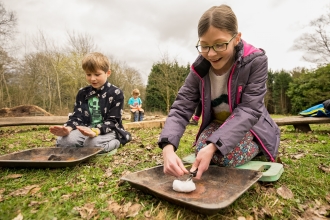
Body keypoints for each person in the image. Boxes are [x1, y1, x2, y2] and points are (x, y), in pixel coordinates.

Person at [158, 4, 280, 179]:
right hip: (219, 124)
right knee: (203, 149)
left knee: (225, 156)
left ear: (237, 38)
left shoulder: (255, 61)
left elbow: (250, 109)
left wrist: (214, 145)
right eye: (204, 46)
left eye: (219, 45)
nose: (211, 53)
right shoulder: (199, 69)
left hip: (251, 127)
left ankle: (260, 146)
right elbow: (181, 107)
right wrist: (167, 147)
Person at [49, 52, 131, 153]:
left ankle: (116, 142)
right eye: (88, 74)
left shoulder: (116, 93)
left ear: (108, 73)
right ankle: (85, 144)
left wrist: (96, 131)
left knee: (91, 145)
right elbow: (77, 116)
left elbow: (113, 121)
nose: (92, 78)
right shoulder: (82, 93)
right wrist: (69, 128)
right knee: (63, 142)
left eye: (97, 74)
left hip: (108, 130)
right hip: (86, 128)